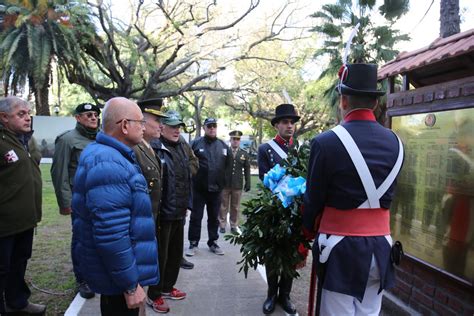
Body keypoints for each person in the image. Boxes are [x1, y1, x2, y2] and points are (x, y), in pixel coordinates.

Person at [302, 63, 404, 315]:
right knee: (369, 311)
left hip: (340, 248)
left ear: (343, 101)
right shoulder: (396, 143)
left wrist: (304, 236)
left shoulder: (325, 143)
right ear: (375, 104)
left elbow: (312, 200)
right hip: (381, 247)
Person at [72, 97, 159, 316]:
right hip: (119, 278)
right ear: (125, 125)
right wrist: (130, 285)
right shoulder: (108, 163)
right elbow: (111, 234)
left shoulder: (108, 155)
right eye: (140, 121)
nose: (144, 126)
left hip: (117, 273)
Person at [0, 96, 46, 315]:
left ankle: (17, 303)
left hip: (26, 220)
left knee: (19, 263)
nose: (28, 118)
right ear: (4, 117)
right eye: (21, 114)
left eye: (28, 113)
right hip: (4, 223)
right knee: (2, 268)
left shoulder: (25, 139)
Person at [50, 102, 100, 299]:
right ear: (78, 118)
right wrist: (65, 202)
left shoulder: (101, 139)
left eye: (95, 114)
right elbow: (59, 172)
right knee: (81, 239)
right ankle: (83, 279)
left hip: (100, 198)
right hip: (80, 199)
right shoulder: (67, 140)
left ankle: (96, 274)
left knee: (100, 236)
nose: (93, 118)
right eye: (88, 115)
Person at [147, 110, 195, 314]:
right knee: (161, 255)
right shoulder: (154, 148)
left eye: (179, 127)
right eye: (172, 126)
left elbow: (189, 171)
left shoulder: (182, 146)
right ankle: (154, 294)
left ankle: (167, 287)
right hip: (163, 213)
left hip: (179, 210)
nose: (177, 130)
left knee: (175, 253)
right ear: (162, 127)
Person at [257, 103, 300, 314]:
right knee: (273, 253)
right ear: (277, 125)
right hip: (274, 209)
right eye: (285, 122)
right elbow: (266, 181)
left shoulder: (299, 148)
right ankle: (271, 294)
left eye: (292, 122)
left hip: (295, 210)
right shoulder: (265, 149)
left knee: (291, 253)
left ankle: (286, 295)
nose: (289, 126)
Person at [186, 118, 231, 256]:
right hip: (199, 189)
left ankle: (213, 242)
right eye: (209, 126)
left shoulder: (223, 146)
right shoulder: (195, 144)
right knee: (196, 217)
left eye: (214, 126)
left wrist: (223, 184)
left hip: (216, 190)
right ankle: (193, 243)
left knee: (213, 217)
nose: (212, 129)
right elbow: (188, 163)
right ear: (205, 128)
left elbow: (228, 167)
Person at [219, 130, 251, 234]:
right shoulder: (225, 151)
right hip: (225, 183)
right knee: (223, 205)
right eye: (234, 139)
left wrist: (248, 182)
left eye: (237, 139)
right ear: (230, 139)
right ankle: (222, 224)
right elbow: (220, 167)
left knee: (235, 206)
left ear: (240, 141)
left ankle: (234, 225)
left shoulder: (244, 154)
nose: (236, 141)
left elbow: (247, 169)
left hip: (237, 184)